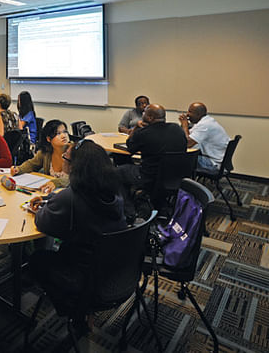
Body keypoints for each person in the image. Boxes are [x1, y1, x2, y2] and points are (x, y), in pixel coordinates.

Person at [28, 140, 127, 328]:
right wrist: (53, 199)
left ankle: (74, 309)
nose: (64, 160)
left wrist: (44, 207)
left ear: (74, 165)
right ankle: (85, 309)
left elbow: (43, 223)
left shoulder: (70, 198)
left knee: (37, 260)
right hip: (116, 273)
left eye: (66, 157)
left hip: (83, 278)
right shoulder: (115, 194)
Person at [120, 104, 187, 195]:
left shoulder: (143, 133)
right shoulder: (177, 128)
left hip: (149, 176)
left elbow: (130, 148)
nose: (142, 114)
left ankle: (128, 205)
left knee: (119, 171)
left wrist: (136, 128)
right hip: (175, 176)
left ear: (150, 118)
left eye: (144, 113)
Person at [11, 120, 71, 193]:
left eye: (65, 132)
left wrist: (55, 183)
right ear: (48, 139)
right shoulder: (46, 152)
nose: (64, 136)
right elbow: (32, 164)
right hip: (49, 192)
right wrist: (19, 169)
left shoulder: (74, 152)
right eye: (58, 133)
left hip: (70, 194)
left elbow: (73, 178)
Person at [179, 102, 229, 172]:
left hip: (213, 163)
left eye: (190, 111)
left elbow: (188, 143)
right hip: (215, 158)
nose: (187, 114)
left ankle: (182, 182)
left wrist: (185, 125)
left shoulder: (205, 125)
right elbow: (187, 136)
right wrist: (184, 126)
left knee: (178, 158)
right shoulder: (205, 121)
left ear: (198, 114)